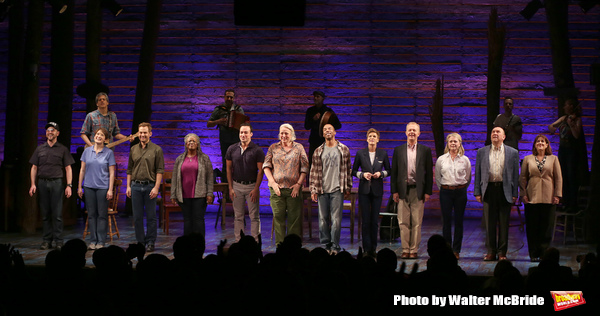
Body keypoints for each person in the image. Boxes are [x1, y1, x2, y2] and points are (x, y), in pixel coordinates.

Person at [474, 126, 520, 261]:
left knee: (504, 223)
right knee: (489, 223)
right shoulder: (482, 152)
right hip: (488, 190)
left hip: (504, 190)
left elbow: (515, 175)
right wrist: (477, 191)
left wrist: (515, 193)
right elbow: (478, 172)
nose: (495, 133)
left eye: (498, 132)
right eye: (493, 132)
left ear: (504, 137)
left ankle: (502, 253)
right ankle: (491, 251)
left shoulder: (513, 152)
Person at [29, 122, 75, 250]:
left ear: (57, 133)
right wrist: (33, 184)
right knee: (45, 214)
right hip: (42, 183)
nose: (50, 132)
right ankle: (46, 241)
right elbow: (34, 167)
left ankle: (59, 241)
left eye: (53, 130)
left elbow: (68, 168)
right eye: (48, 130)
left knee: (57, 214)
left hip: (57, 183)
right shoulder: (40, 149)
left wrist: (69, 185)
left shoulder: (63, 149)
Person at [390, 122, 433, 259]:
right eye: (409, 130)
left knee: (416, 222)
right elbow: (394, 172)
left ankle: (413, 250)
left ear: (419, 133)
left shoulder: (425, 150)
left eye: (414, 130)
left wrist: (428, 192)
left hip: (418, 190)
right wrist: (394, 191)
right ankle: (405, 249)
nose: (412, 132)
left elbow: (429, 173)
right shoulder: (398, 150)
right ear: (405, 132)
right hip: (402, 190)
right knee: (403, 221)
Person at [263, 123, 309, 245]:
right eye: (281, 133)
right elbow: (266, 166)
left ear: (292, 135)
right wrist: (272, 183)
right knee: (278, 218)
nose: (283, 135)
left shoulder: (299, 148)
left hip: (293, 189)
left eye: (286, 133)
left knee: (294, 220)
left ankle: (293, 248)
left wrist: (298, 185)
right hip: (277, 189)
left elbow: (305, 167)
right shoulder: (273, 147)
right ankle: (280, 247)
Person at [309, 124, 352, 254]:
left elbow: (348, 170)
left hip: (337, 189)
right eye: (324, 130)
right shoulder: (318, 151)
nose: (327, 131)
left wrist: (348, 187)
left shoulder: (344, 149)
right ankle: (326, 244)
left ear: (334, 132)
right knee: (322, 220)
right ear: (323, 134)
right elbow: (313, 171)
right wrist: (313, 189)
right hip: (322, 189)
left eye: (329, 129)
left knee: (336, 220)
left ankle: (335, 245)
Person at [519, 135, 562, 262]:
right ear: (535, 145)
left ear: (547, 145)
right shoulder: (528, 159)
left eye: (543, 141)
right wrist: (523, 194)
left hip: (549, 197)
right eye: (538, 141)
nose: (540, 143)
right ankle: (533, 253)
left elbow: (559, 178)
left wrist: (557, 195)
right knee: (532, 227)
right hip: (532, 197)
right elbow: (522, 178)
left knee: (546, 227)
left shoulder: (554, 159)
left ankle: (544, 253)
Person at [351, 128, 390, 257]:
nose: (372, 138)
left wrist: (381, 174)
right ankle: (366, 249)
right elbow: (353, 171)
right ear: (367, 139)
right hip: (364, 191)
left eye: (374, 136)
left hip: (377, 190)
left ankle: (373, 248)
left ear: (378, 139)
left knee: (374, 221)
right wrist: (362, 175)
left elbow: (389, 171)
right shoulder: (360, 153)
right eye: (370, 136)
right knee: (365, 221)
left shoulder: (383, 154)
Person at [126, 122, 164, 252]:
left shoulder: (156, 149)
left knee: (151, 217)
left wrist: (156, 187)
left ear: (150, 134)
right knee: (137, 217)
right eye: (140, 132)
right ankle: (140, 242)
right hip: (136, 186)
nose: (142, 135)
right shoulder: (133, 149)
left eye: (145, 132)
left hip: (150, 187)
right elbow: (129, 169)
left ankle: (150, 242)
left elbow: (159, 170)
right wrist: (128, 186)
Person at [77, 128, 116, 250]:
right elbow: (82, 170)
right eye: (97, 134)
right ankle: (93, 241)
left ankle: (101, 241)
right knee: (92, 215)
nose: (98, 136)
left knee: (102, 215)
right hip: (89, 186)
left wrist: (110, 189)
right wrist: (79, 186)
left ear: (106, 139)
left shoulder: (109, 153)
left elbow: (112, 173)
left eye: (101, 135)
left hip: (103, 187)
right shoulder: (87, 151)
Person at [226, 123, 265, 242]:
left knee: (254, 216)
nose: (243, 135)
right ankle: (239, 242)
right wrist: (230, 187)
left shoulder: (257, 150)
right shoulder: (232, 149)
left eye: (245, 132)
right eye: (241, 132)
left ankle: (255, 243)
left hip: (251, 186)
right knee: (238, 217)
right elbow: (228, 169)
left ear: (251, 134)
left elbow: (260, 171)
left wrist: (256, 188)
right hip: (237, 186)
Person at [434, 133, 471, 259]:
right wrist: (445, 189)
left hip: (460, 192)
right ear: (447, 144)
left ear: (460, 143)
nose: (453, 144)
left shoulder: (465, 160)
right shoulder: (441, 159)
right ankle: (447, 249)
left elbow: (468, 178)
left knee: (459, 221)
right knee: (446, 222)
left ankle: (456, 250)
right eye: (451, 142)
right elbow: (438, 177)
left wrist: (460, 188)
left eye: (455, 141)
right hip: (445, 192)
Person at [548, 98, 589, 213]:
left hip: (572, 151)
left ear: (571, 106)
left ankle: (573, 203)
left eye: (566, 105)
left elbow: (576, 135)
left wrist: (571, 125)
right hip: (563, 150)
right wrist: (555, 125)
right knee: (563, 175)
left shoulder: (578, 120)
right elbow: (551, 127)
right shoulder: (564, 118)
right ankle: (565, 201)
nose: (564, 107)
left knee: (571, 176)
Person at [171, 133, 214, 237]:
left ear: (198, 144)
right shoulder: (179, 159)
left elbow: (210, 177)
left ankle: (200, 245)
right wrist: (173, 194)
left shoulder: (205, 158)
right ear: (186, 144)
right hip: (184, 195)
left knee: (198, 220)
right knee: (187, 221)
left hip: (200, 195)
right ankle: (188, 246)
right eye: (189, 141)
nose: (191, 143)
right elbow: (174, 178)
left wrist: (210, 193)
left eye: (193, 141)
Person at [207, 89, 245, 182]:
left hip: (236, 140)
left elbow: (244, 124)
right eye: (227, 97)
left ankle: (236, 186)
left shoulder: (238, 109)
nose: (229, 99)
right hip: (224, 140)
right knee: (225, 163)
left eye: (231, 97)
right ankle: (225, 189)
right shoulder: (219, 110)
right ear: (224, 97)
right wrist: (218, 121)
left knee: (237, 163)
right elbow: (209, 123)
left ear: (234, 98)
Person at [304, 91, 342, 168]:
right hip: (314, 142)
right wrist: (313, 119)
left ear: (323, 98)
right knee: (313, 164)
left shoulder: (328, 111)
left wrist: (329, 128)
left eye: (318, 96)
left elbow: (338, 125)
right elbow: (306, 126)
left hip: (326, 142)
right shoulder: (310, 111)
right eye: (314, 96)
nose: (315, 98)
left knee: (326, 164)